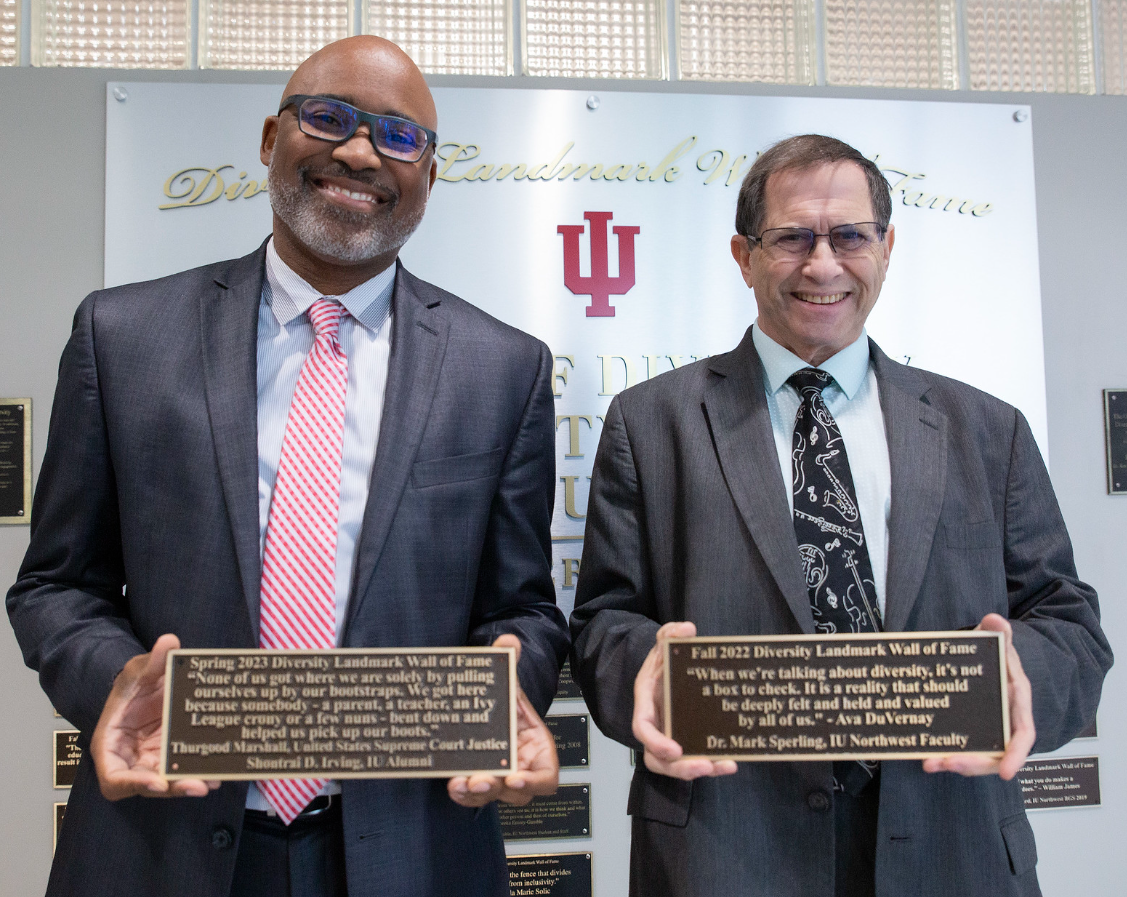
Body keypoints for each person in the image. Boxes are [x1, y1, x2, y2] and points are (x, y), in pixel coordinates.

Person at [7, 36, 569, 897]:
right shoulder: (122, 337)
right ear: (272, 138)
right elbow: (55, 586)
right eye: (329, 117)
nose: (360, 153)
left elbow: (520, 606)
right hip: (159, 842)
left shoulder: (503, 368)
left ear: (428, 173)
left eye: (399, 136)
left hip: (412, 846)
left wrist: (503, 696)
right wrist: (116, 682)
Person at [569, 134, 1111, 897]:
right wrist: (650, 681)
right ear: (743, 255)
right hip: (727, 852)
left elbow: (1068, 623)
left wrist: (1018, 675)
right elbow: (602, 622)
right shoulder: (649, 423)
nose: (822, 265)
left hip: (950, 851)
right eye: (792, 237)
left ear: (886, 248)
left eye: (849, 236)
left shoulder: (988, 429)